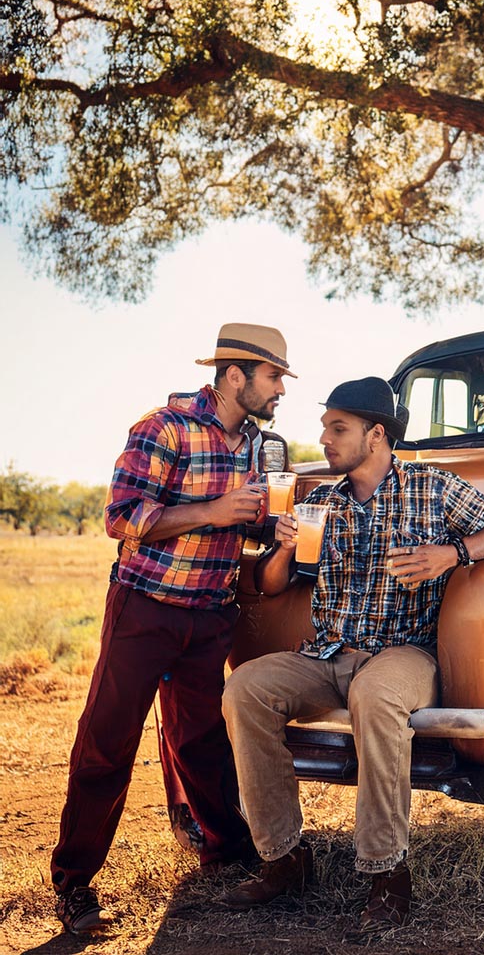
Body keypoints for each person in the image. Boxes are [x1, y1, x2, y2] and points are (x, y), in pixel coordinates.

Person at [221, 376, 484, 934]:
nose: (325, 440)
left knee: (375, 692)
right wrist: (286, 548)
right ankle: (284, 858)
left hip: (404, 654)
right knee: (245, 687)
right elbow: (272, 584)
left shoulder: (432, 489)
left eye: (337, 429)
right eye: (324, 428)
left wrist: (451, 553)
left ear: (376, 435)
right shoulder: (321, 501)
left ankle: (388, 873)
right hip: (327, 653)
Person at [51, 323, 296, 936]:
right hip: (144, 609)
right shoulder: (161, 429)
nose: (281, 391)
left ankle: (223, 849)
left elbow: (247, 525)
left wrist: (276, 534)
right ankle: (74, 883)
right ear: (235, 376)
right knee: (107, 741)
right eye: (274, 378)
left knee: (202, 742)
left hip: (211, 614)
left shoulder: (260, 447)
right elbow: (122, 518)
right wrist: (214, 511)